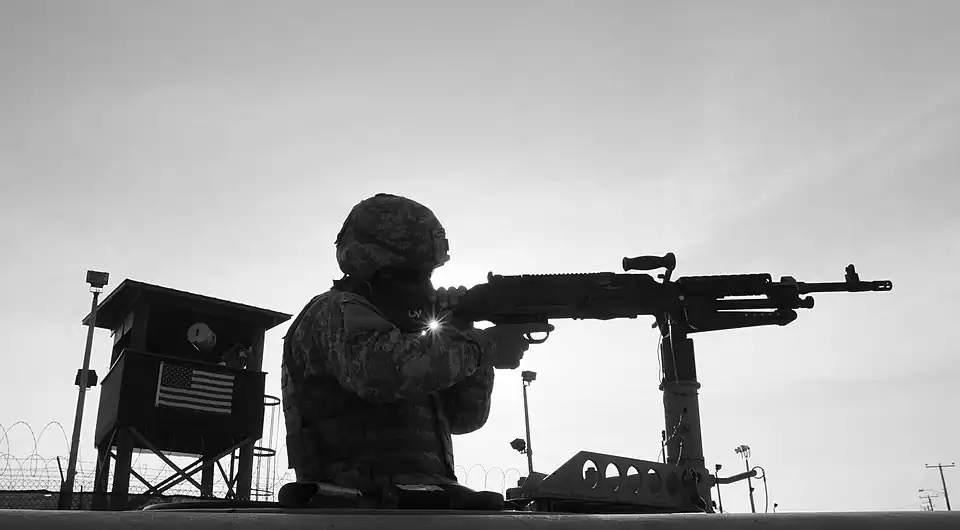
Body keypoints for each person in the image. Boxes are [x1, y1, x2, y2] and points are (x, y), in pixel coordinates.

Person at [281, 193, 551, 496]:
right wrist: (480, 346)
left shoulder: (409, 341)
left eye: (429, 274)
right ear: (373, 266)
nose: (426, 287)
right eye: (414, 275)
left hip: (416, 501)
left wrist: (461, 332)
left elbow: (464, 417)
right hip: (347, 504)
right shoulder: (332, 311)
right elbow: (381, 375)